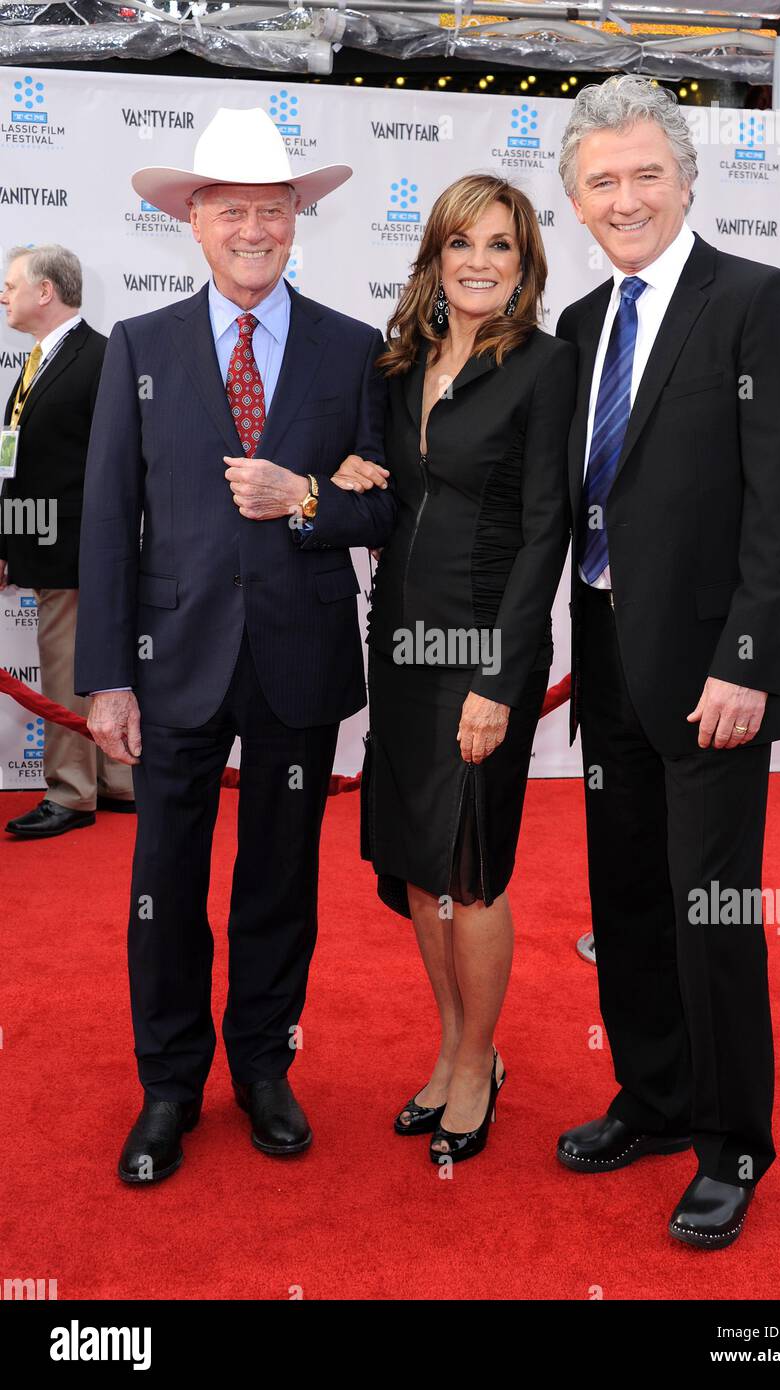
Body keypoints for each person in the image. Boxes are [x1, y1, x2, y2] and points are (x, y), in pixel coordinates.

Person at [74, 108, 396, 1184]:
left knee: (278, 878)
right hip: (172, 663)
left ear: (296, 222)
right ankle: (169, 1083)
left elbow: (384, 509)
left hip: (297, 658)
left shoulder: (356, 350)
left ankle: (263, 1065)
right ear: (194, 222)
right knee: (163, 878)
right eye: (232, 212)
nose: (254, 230)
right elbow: (110, 519)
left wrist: (306, 499)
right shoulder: (141, 348)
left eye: (273, 211)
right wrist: (109, 674)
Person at [554, 76, 780, 1248]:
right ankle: (655, 1099)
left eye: (645, 174)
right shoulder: (578, 324)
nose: (627, 198)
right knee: (630, 899)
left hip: (717, 671)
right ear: (576, 198)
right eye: (602, 181)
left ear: (686, 179)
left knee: (713, 910)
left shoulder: (754, 300)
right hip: (605, 656)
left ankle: (731, 1142)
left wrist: (748, 661)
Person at [333, 175, 576, 1165]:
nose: (479, 261)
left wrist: (498, 678)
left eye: (502, 246)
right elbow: (389, 497)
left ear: (524, 266)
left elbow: (544, 527)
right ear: (434, 253)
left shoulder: (545, 367)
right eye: (462, 242)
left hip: (483, 646)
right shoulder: (399, 365)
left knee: (469, 872)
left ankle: (478, 1060)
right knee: (417, 868)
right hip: (397, 642)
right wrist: (346, 473)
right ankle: (450, 1044)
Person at [0, 245, 134, 838]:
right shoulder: (36, 362)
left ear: (46, 290)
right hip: (45, 544)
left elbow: (117, 464)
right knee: (80, 668)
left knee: (70, 670)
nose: (4, 295)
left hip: (79, 550)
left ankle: (73, 793)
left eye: (11, 284)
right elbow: (17, 463)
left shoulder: (99, 358)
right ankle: (112, 782)